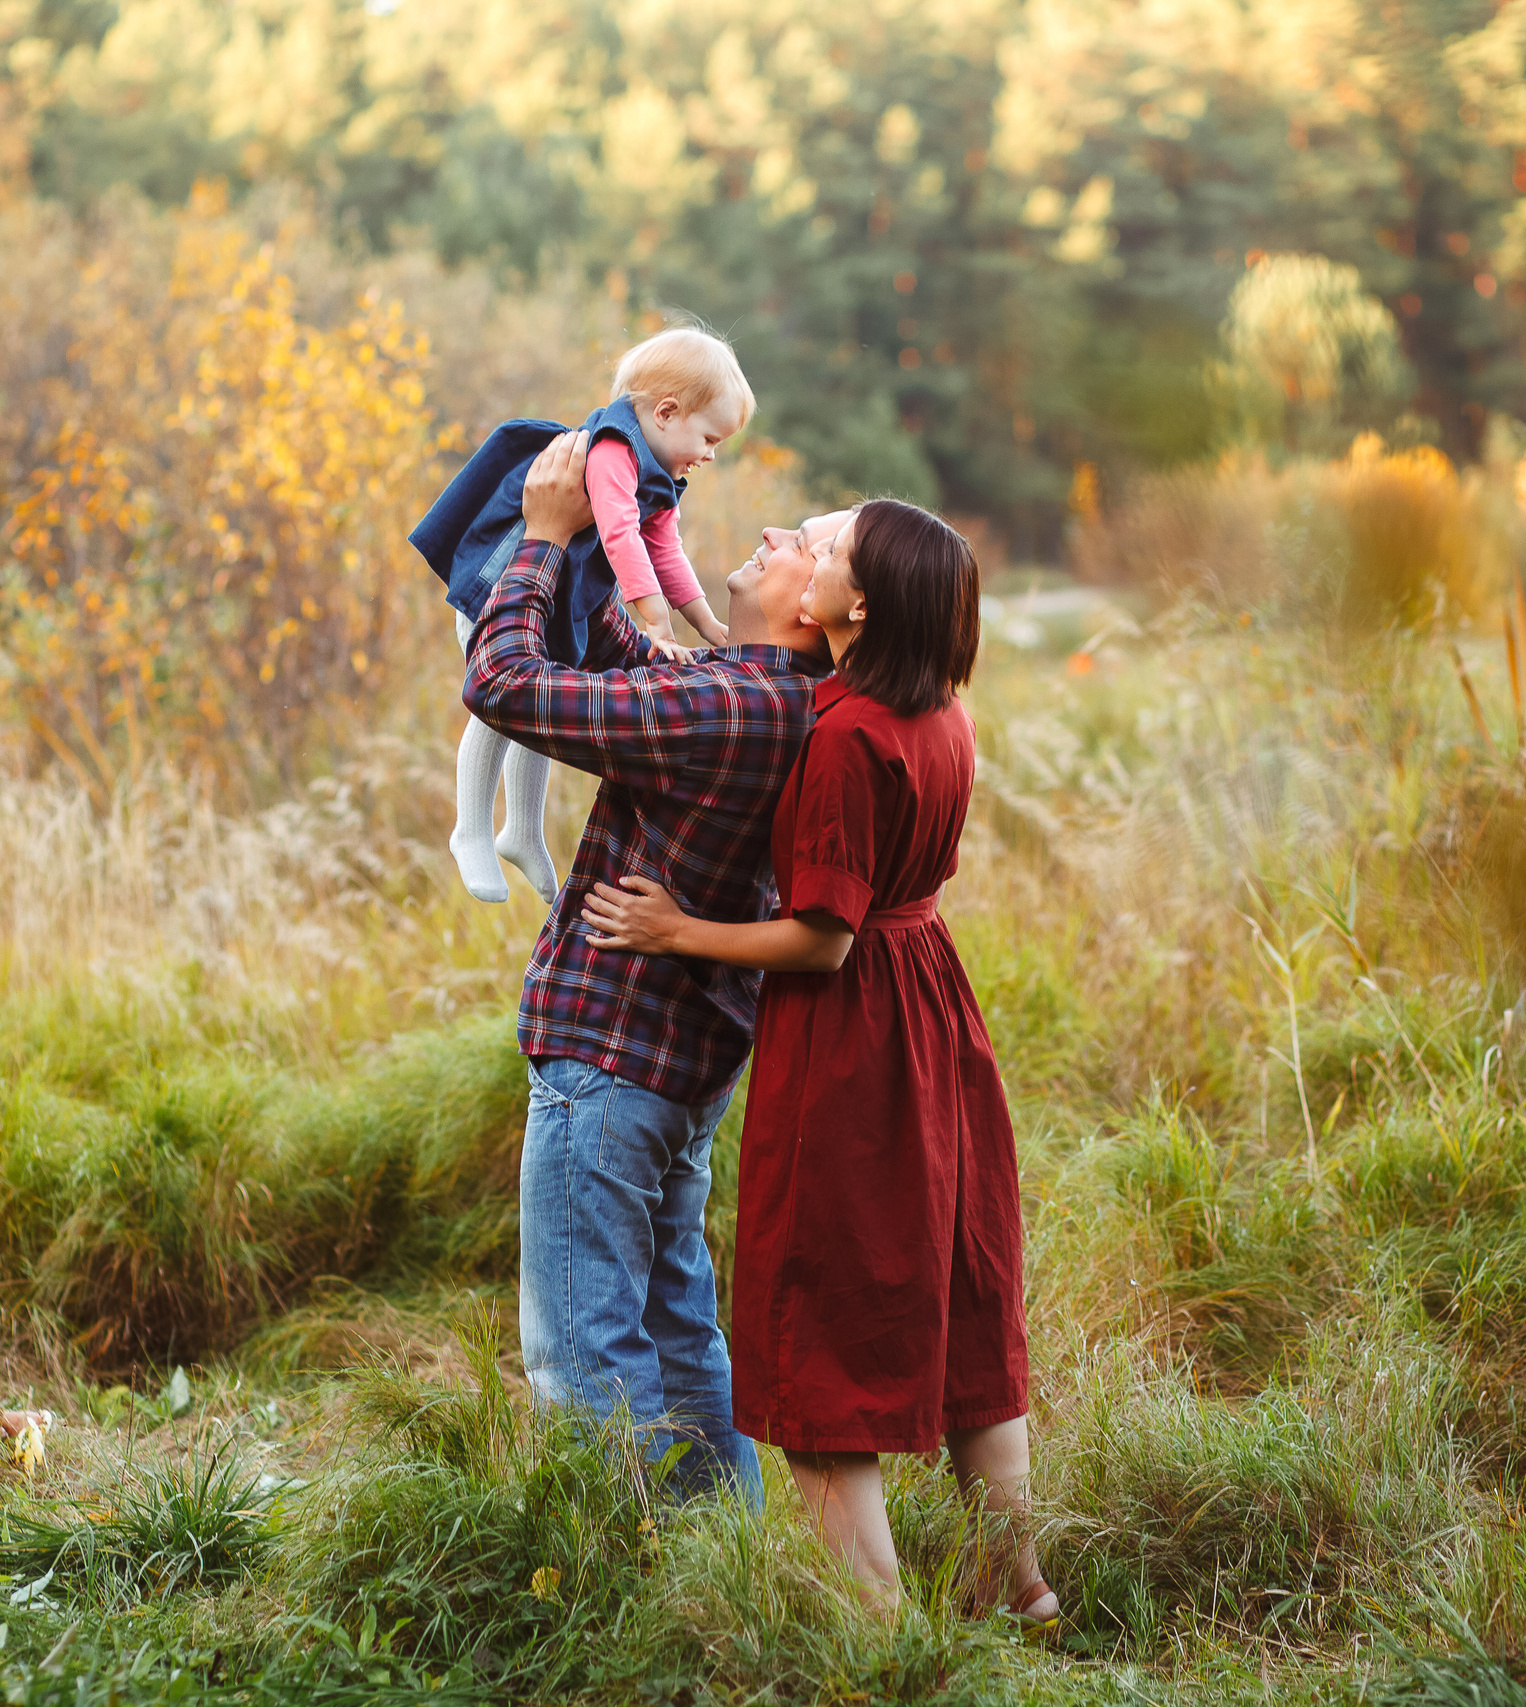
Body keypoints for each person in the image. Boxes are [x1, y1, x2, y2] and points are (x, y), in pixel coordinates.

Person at [581, 500, 1055, 1623]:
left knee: (817, 1330)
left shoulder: (845, 735)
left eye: (832, 550)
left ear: (857, 604)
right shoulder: (940, 712)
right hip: (933, 1011)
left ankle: (874, 1632)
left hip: (853, 1039)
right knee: (962, 1292)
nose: (810, 553)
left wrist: (676, 930)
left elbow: (823, 936)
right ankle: (1015, 1581)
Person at [461, 428, 850, 1504]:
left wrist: (538, 541)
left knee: (584, 1351)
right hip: (681, 1063)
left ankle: (624, 1584)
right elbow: (625, 664)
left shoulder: (728, 706)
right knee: (679, 1333)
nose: (771, 533)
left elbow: (505, 685)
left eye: (798, 546)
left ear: (813, 613)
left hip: (614, 1055)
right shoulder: (765, 697)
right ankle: (721, 1558)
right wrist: (588, 545)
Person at [413, 327, 753, 904]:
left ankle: (521, 830)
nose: (711, 454)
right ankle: (469, 829)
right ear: (667, 413)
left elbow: (665, 550)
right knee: (498, 711)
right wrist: (655, 623)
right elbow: (621, 537)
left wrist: (707, 624)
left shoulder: (664, 477)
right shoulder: (615, 452)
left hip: (552, 601)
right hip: (499, 594)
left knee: (537, 712)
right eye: (709, 437)